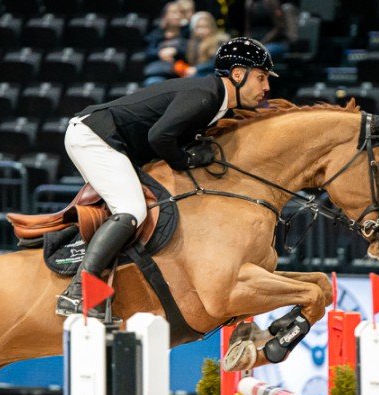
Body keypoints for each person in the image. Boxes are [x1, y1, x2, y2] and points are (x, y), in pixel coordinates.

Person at [56, 37, 276, 317]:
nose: (266, 87)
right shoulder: (205, 95)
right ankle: (78, 293)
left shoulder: (217, 104)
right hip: (95, 137)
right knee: (131, 209)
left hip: (115, 143)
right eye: (261, 77)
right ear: (237, 74)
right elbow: (159, 136)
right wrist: (185, 159)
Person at [143, 2, 189, 85]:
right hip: (159, 73)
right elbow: (147, 53)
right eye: (174, 12)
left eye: (181, 13)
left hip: (181, 74)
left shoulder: (188, 33)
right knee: (153, 82)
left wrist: (176, 51)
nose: (177, 16)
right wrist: (160, 53)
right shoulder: (156, 34)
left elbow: (194, 52)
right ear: (165, 16)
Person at [174, 11, 230, 78]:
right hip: (197, 75)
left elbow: (216, 62)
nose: (201, 31)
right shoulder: (193, 43)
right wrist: (174, 51)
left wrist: (197, 69)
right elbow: (182, 50)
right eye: (198, 27)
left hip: (213, 76)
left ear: (212, 27)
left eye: (205, 27)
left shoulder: (220, 41)